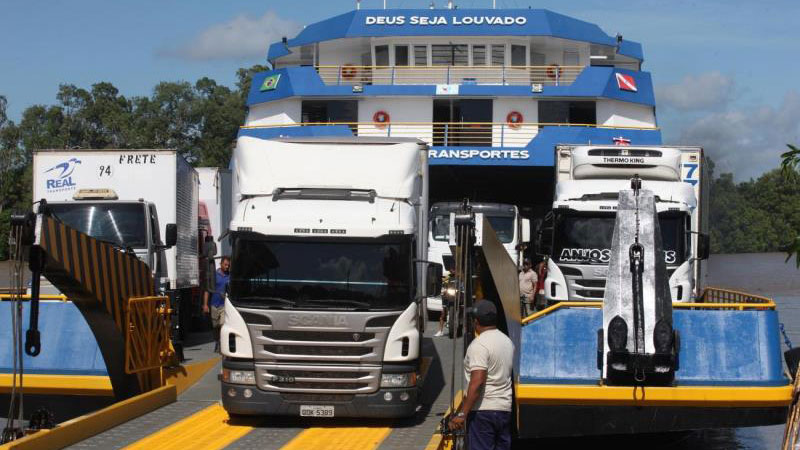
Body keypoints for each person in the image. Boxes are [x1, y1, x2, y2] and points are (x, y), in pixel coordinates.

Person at [449, 300, 514, 450]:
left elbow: (477, 382)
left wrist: (462, 414)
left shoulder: (479, 345)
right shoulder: (507, 341)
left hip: (483, 412)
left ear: (476, 321)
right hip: (504, 409)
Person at [203, 256, 230, 353]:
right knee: (215, 326)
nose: (227, 267)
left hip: (224, 305)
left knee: (223, 324)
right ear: (221, 264)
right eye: (225, 265)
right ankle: (217, 341)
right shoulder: (214, 275)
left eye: (228, 265)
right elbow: (207, 291)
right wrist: (205, 304)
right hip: (214, 304)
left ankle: (222, 344)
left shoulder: (229, 276)